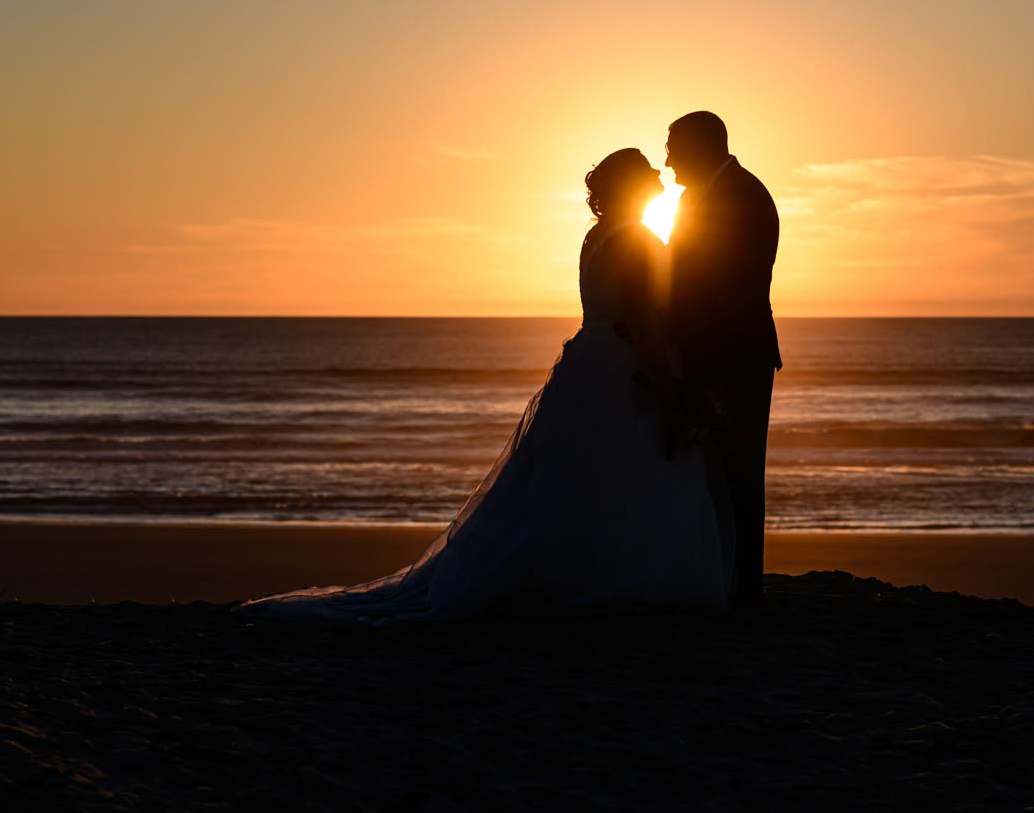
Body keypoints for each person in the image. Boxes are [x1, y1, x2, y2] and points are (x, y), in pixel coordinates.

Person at [236, 149, 733, 621]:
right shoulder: (637, 241)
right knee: (626, 470)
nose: (657, 174)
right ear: (631, 184)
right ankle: (617, 578)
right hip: (624, 369)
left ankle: (575, 571)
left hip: (588, 366)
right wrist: (671, 383)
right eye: (646, 168)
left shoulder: (598, 236)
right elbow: (642, 318)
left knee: (577, 477)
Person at [664, 111, 781, 609]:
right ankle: (720, 577)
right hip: (707, 357)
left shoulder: (743, 198)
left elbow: (730, 291)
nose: (667, 162)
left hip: (734, 358)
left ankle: (743, 587)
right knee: (712, 473)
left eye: (673, 148)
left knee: (739, 472)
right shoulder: (698, 197)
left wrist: (702, 367)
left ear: (702, 146)